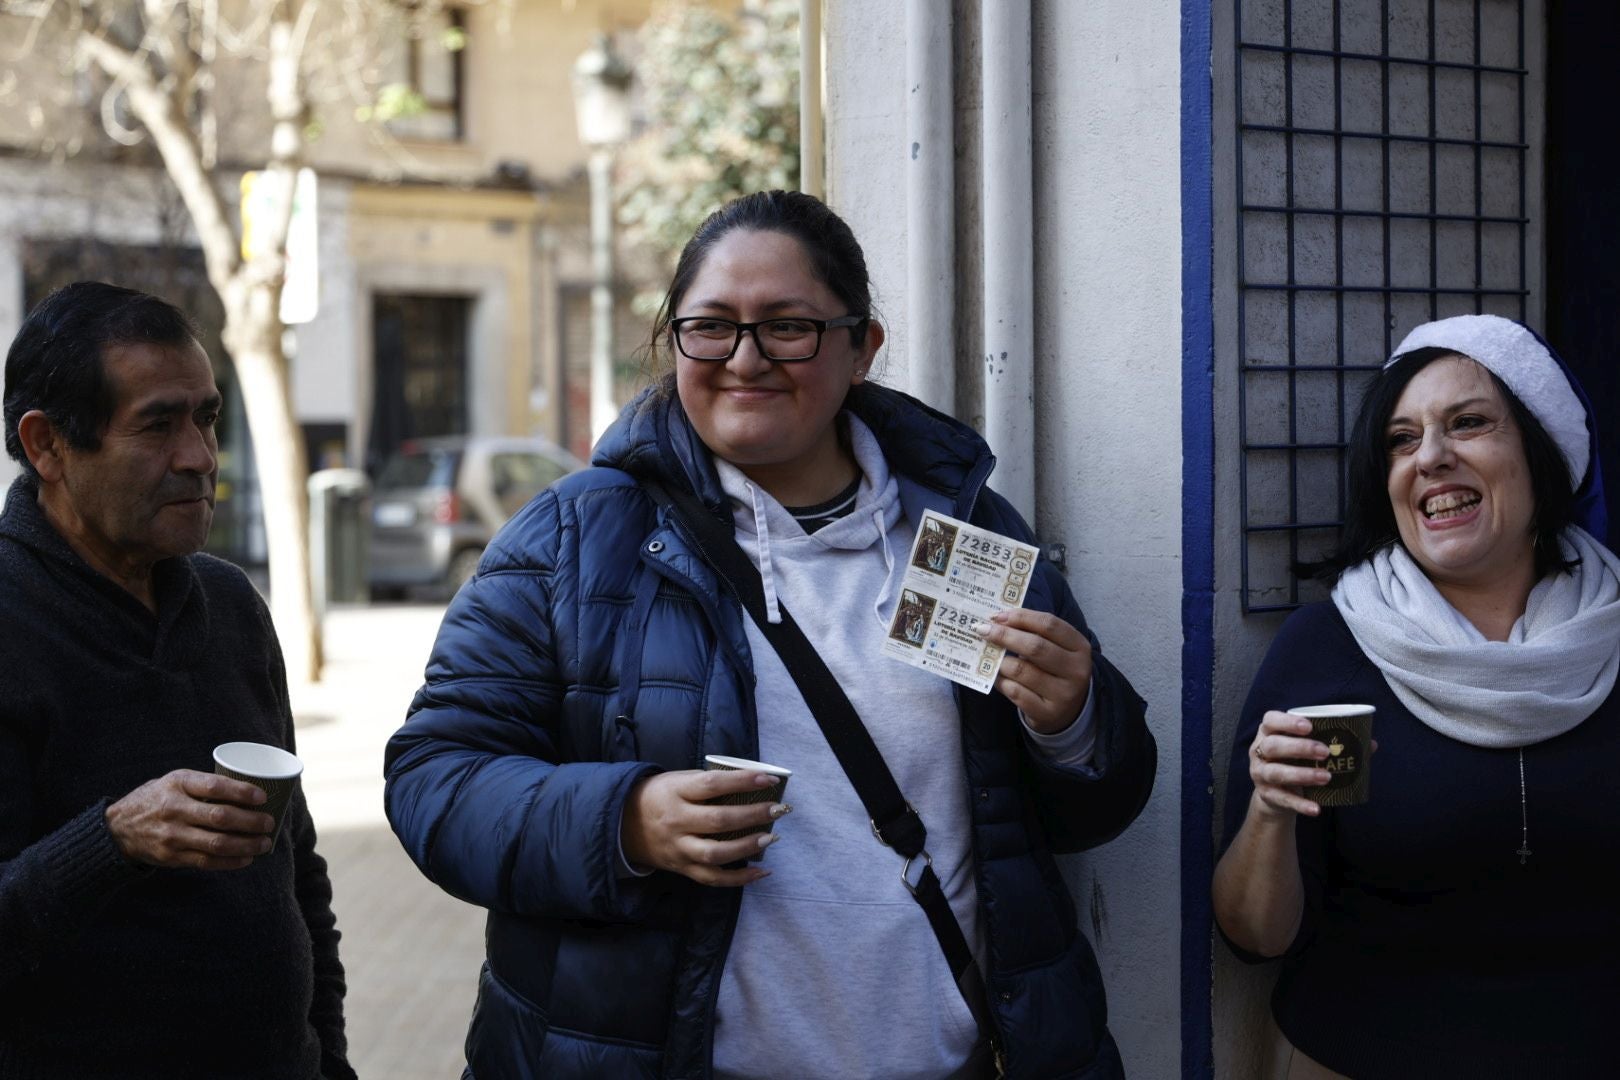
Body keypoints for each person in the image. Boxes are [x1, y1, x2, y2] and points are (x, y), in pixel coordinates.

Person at [384, 190, 1156, 1079]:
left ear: (862, 348)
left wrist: (1072, 723)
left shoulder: (963, 531)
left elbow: (1088, 813)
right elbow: (434, 781)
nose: (744, 359)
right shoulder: (569, 540)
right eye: (709, 327)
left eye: (787, 326)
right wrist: (624, 821)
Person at [1213, 314, 1620, 1078]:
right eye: (1402, 440)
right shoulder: (1329, 649)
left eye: (1467, 423)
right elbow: (1253, 938)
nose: (1430, 457)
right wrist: (1270, 814)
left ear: (1543, 451)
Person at [0, 282, 355, 1078]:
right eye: (158, 424)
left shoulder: (228, 604)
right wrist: (112, 840)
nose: (199, 455)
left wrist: (330, 1061)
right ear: (47, 446)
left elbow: (297, 875)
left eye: (206, 418)